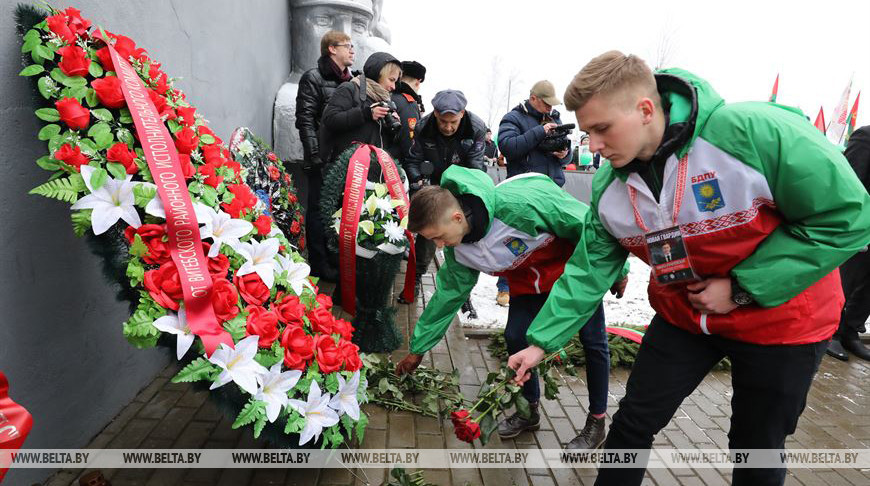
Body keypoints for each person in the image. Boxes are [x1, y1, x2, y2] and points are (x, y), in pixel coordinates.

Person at [507, 51, 870, 485]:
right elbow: (589, 269)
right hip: (686, 316)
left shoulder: (755, 133)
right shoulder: (609, 186)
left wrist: (741, 287)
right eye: (587, 133)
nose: (594, 147)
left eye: (602, 129)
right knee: (631, 426)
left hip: (783, 321)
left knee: (756, 446)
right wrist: (540, 342)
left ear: (645, 109)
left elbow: (847, 217)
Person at [395, 166, 628, 448]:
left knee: (593, 341)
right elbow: (447, 295)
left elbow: (587, 225)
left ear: (457, 217)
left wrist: (619, 271)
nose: (440, 247)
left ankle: (596, 421)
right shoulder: (459, 249)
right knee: (516, 337)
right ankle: (528, 409)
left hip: (571, 278)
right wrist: (419, 348)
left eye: (439, 237)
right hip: (526, 282)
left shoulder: (522, 205)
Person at [400, 90, 487, 312]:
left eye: (453, 122)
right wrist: (418, 180)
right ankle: (417, 276)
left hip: (462, 185)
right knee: (431, 231)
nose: (448, 127)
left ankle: (463, 291)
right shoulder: (423, 126)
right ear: (435, 114)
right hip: (433, 181)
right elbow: (413, 158)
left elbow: (476, 167)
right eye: (443, 121)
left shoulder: (476, 127)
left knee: (462, 237)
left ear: (462, 113)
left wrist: (465, 197)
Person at [294, 30, 357, 281]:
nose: (352, 50)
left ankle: (333, 260)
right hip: (321, 158)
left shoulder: (350, 79)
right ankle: (319, 265)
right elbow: (305, 119)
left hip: (343, 158)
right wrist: (315, 155)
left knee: (338, 212)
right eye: (347, 46)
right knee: (319, 212)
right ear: (332, 48)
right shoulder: (313, 77)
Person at [826, 124, 870, 361]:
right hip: (860, 224)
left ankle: (849, 331)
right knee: (845, 280)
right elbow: (851, 180)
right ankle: (829, 333)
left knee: (868, 290)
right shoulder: (866, 135)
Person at [320, 51, 403, 164]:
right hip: (346, 168)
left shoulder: (384, 99)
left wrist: (392, 128)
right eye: (391, 80)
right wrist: (367, 113)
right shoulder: (349, 88)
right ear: (378, 74)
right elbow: (330, 119)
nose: (393, 87)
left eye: (396, 82)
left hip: (372, 167)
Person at [498, 80, 573, 187]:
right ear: (533, 98)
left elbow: (566, 156)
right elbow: (507, 147)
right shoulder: (513, 118)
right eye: (547, 103)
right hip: (524, 188)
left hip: (553, 187)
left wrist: (564, 154)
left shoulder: (554, 119)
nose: (550, 107)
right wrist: (541, 131)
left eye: (552, 104)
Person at [390, 60, 427, 163]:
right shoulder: (409, 103)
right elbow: (409, 140)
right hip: (396, 164)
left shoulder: (389, 95)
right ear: (418, 82)